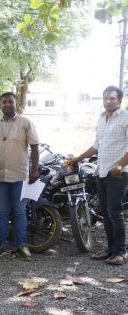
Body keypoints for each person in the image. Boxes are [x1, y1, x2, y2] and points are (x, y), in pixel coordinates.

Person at [71, 86, 128, 265]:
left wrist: (120, 165)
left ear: (119, 100)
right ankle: (110, 249)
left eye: (112, 98)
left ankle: (120, 252)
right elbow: (97, 145)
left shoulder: (125, 118)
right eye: (106, 98)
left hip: (118, 173)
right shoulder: (101, 119)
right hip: (101, 172)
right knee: (105, 213)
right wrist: (78, 158)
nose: (108, 101)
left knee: (115, 212)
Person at [0, 92, 39, 261]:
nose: (7, 104)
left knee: (20, 211)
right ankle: (2, 244)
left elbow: (35, 147)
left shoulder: (25, 123)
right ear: (0, 105)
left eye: (10, 102)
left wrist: (34, 170)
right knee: (3, 211)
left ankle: (21, 245)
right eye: (4, 102)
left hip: (21, 175)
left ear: (15, 104)